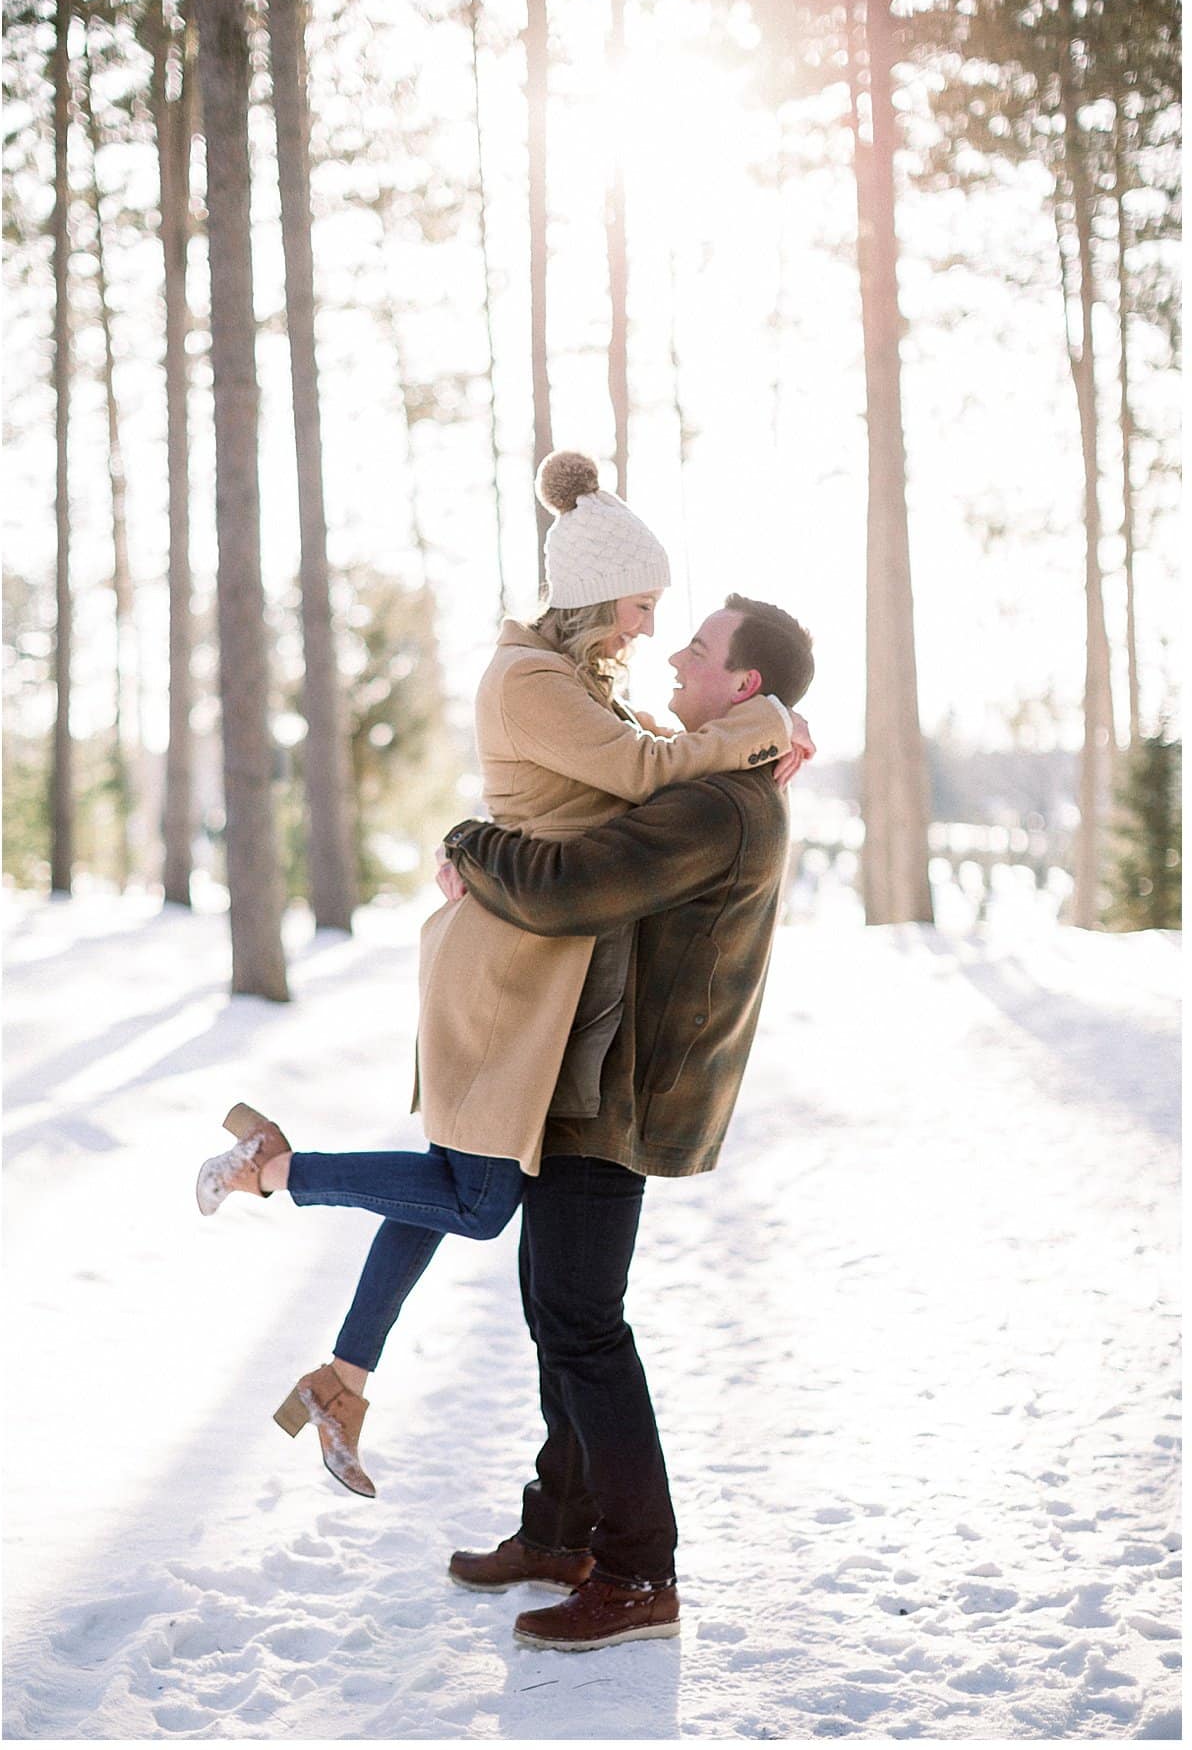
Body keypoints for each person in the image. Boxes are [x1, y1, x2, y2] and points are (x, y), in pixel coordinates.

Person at [196, 453, 814, 1500]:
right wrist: (759, 726)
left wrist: (753, 742)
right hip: (507, 960)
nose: (648, 628)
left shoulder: (577, 678)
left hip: (540, 963)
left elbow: (659, 751)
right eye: (640, 604)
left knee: (453, 1185)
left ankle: (343, 1375)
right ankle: (275, 1168)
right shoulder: (528, 678)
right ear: (592, 593)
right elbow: (643, 773)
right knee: (478, 1198)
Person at [437, 592, 814, 1650]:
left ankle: (642, 1571)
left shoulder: (712, 806)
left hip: (625, 1084)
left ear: (742, 686)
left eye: (699, 649)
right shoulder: (714, 772)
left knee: (580, 1319)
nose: (677, 658)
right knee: (556, 1306)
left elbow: (563, 885)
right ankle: (560, 1530)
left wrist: (471, 841)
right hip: (594, 1066)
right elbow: (630, 757)